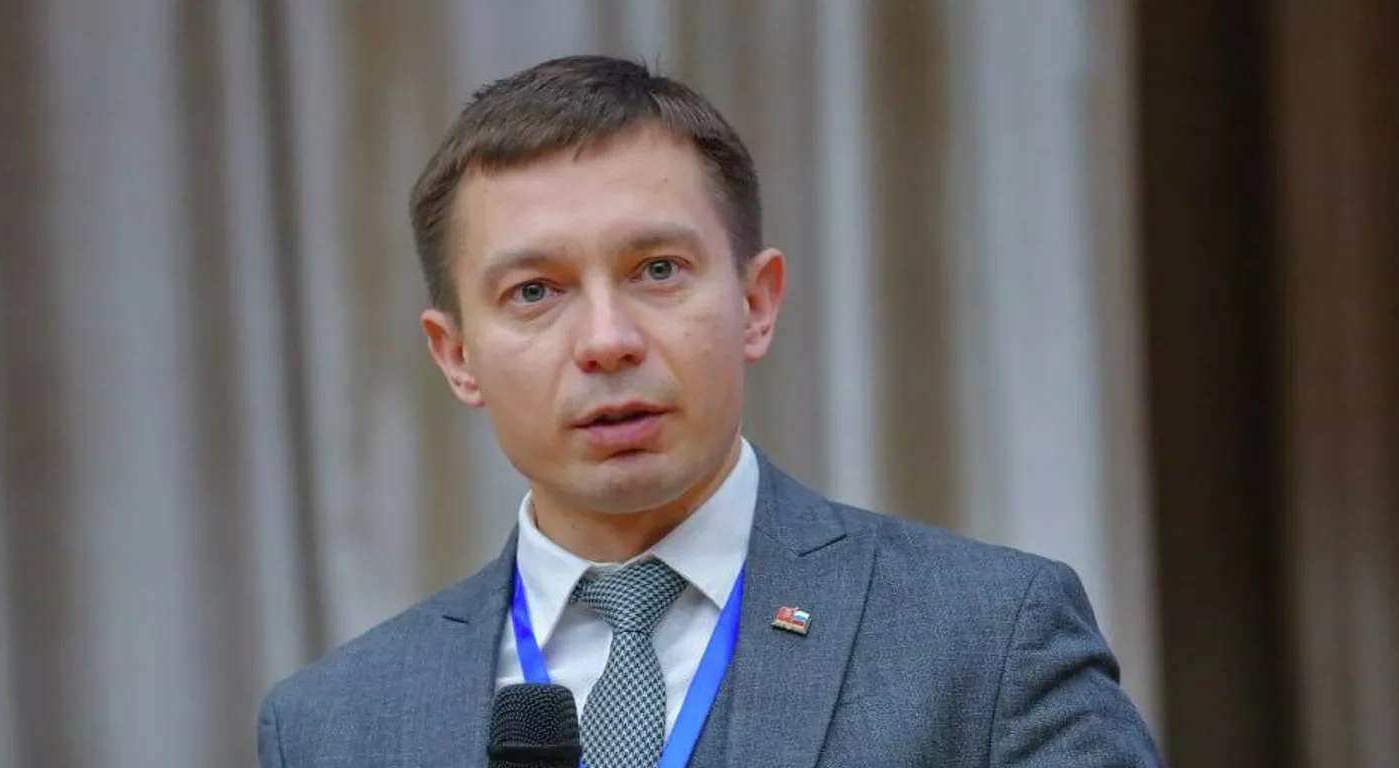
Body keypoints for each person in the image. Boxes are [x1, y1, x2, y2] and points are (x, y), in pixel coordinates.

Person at [257, 54, 1162, 767]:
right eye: (535, 291)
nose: (606, 341)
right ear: (457, 356)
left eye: (658, 270)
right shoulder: (335, 724)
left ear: (756, 303)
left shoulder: (987, 638)